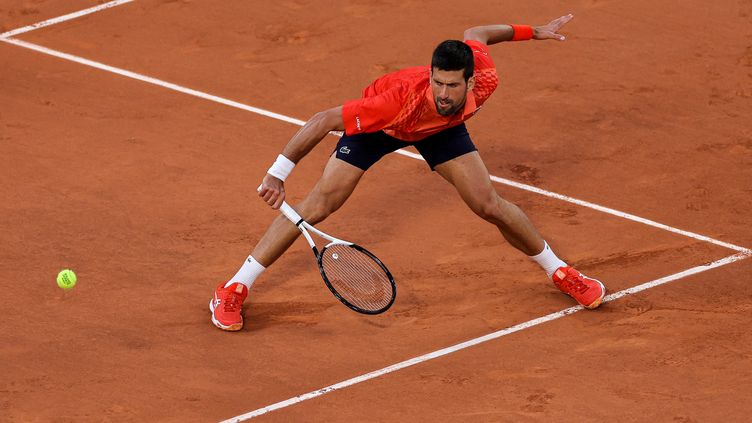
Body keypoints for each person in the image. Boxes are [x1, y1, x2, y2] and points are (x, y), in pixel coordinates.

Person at [209, 14, 606, 331]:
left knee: (488, 204)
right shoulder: (396, 101)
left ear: (471, 80)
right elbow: (320, 120)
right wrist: (278, 174)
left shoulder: (485, 76)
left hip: (442, 131)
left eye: (452, 85)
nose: (444, 93)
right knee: (320, 204)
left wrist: (531, 32)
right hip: (384, 127)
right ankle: (234, 286)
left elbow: (477, 32)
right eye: (437, 83)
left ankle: (561, 273)